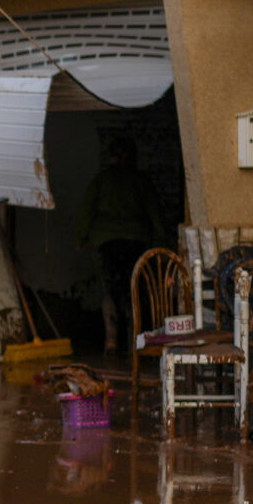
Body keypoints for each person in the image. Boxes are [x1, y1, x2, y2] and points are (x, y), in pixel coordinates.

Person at [75, 136, 166, 354]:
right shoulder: (141, 181)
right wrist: (162, 244)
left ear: (111, 157)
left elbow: (86, 211)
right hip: (136, 242)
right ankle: (133, 342)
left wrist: (81, 238)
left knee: (109, 292)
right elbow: (155, 214)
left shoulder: (101, 180)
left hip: (105, 243)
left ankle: (111, 342)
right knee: (133, 292)